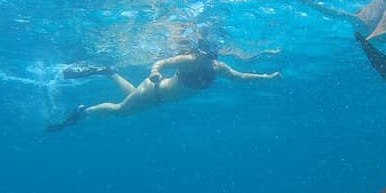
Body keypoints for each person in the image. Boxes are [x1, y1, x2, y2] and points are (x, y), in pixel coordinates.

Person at [46, 40, 280, 131]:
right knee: (121, 111)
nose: (209, 59)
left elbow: (240, 77)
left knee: (132, 100)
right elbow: (162, 62)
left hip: (157, 97)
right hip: (155, 89)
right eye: (207, 54)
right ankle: (81, 112)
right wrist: (156, 72)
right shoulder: (190, 60)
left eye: (212, 55)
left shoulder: (218, 67)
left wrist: (266, 78)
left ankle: (111, 73)